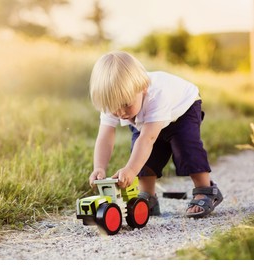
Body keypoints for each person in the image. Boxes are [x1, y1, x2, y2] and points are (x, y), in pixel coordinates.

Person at [88, 51, 223, 218]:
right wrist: (99, 167)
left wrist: (130, 170)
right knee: (142, 154)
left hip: (183, 109)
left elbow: (148, 138)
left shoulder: (157, 95)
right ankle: (148, 197)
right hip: (148, 119)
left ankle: (205, 190)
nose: (121, 112)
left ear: (142, 89)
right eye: (114, 107)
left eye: (126, 105)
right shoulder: (113, 101)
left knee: (185, 146)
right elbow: (105, 136)